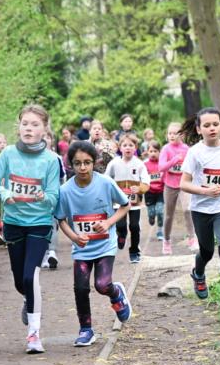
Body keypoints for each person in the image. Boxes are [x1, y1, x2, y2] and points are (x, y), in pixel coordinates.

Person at [0, 104, 61, 354]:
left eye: (35, 124)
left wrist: (43, 196)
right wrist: (6, 194)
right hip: (13, 223)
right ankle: (27, 298)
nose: (29, 128)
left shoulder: (52, 160)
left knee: (31, 277)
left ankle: (33, 334)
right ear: (18, 126)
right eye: (25, 124)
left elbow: (54, 195)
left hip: (40, 224)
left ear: (44, 129)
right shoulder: (8, 154)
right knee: (21, 281)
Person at [54, 141, 133, 347]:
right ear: (70, 164)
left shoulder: (105, 183)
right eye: (78, 163)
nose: (82, 168)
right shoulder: (65, 191)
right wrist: (74, 237)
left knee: (101, 284)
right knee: (80, 288)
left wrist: (107, 222)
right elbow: (61, 219)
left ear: (94, 163)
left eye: (87, 162)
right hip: (81, 248)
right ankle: (86, 329)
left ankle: (116, 294)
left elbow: (125, 206)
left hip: (105, 244)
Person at [178, 107, 220, 320]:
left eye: (215, 124)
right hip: (201, 209)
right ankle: (198, 273)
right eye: (206, 125)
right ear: (199, 129)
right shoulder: (195, 152)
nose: (212, 128)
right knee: (206, 252)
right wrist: (205, 191)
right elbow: (184, 184)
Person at [104, 135, 150, 263]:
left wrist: (140, 188)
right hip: (118, 203)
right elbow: (106, 179)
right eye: (125, 145)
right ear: (120, 148)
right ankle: (121, 234)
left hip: (134, 203)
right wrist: (111, 190)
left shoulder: (139, 164)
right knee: (121, 224)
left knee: (135, 226)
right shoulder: (114, 163)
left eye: (131, 145)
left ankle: (134, 251)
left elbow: (146, 181)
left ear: (135, 148)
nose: (128, 148)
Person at [159, 121, 197, 255]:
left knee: (188, 209)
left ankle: (192, 238)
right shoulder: (166, 149)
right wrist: (174, 160)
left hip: (184, 184)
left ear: (181, 135)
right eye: (169, 133)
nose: (172, 136)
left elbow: (192, 166)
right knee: (169, 214)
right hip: (170, 185)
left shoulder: (186, 149)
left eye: (175, 133)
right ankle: (166, 240)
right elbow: (161, 167)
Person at [40, 130, 67, 270]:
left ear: (52, 140)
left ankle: (52, 252)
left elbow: (63, 178)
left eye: (48, 137)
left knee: (52, 225)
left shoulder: (56, 158)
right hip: (36, 199)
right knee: (40, 227)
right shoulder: (33, 158)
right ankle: (43, 254)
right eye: (42, 136)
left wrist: (61, 196)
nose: (45, 139)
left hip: (52, 198)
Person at [143, 141, 165, 241]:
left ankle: (160, 230)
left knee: (160, 212)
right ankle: (151, 217)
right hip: (149, 192)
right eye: (151, 151)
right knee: (152, 213)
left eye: (155, 151)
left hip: (161, 191)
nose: (153, 153)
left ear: (159, 152)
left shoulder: (162, 163)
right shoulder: (144, 164)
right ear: (147, 152)